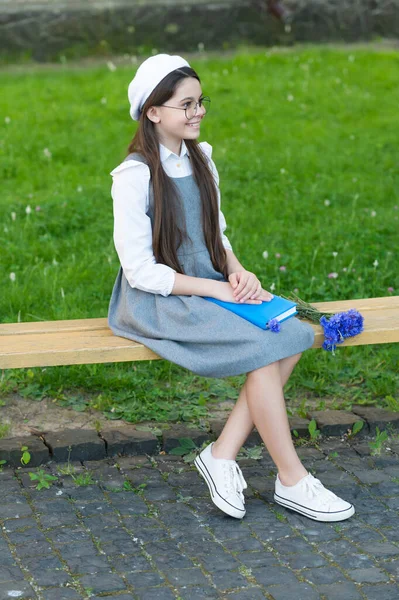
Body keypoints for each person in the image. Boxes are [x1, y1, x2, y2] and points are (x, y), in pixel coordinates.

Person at [108, 53, 355, 523]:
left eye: (201, 101)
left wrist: (238, 273)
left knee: (294, 333)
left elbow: (215, 235)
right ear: (154, 113)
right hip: (161, 299)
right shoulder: (134, 177)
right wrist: (218, 291)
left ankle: (221, 455)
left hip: (211, 280)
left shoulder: (202, 160)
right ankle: (291, 478)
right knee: (264, 348)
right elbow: (141, 271)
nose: (197, 111)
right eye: (186, 104)